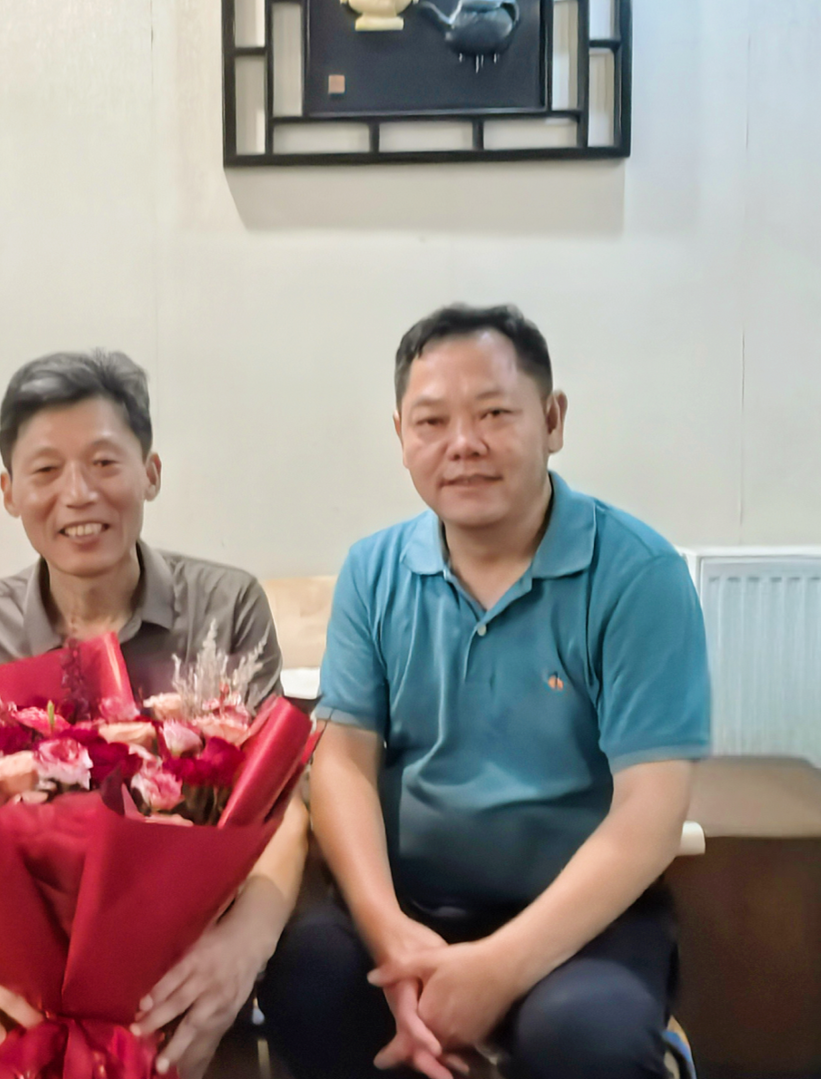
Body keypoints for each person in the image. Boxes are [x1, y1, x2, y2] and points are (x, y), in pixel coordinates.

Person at [260, 305, 709, 1079]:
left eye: (494, 413)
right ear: (401, 434)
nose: (462, 443)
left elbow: (652, 810)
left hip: (579, 924)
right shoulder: (374, 569)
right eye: (432, 421)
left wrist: (497, 968)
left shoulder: (639, 573)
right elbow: (342, 762)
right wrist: (389, 930)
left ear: (553, 419)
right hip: (411, 903)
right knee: (307, 980)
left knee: (586, 1037)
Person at [0, 349, 310, 1079]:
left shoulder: (224, 606)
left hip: (181, 934)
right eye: (46, 470)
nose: (78, 494)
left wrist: (246, 943)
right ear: (8, 491)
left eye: (104, 463)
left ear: (151, 472)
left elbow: (281, 803)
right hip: (13, 942)